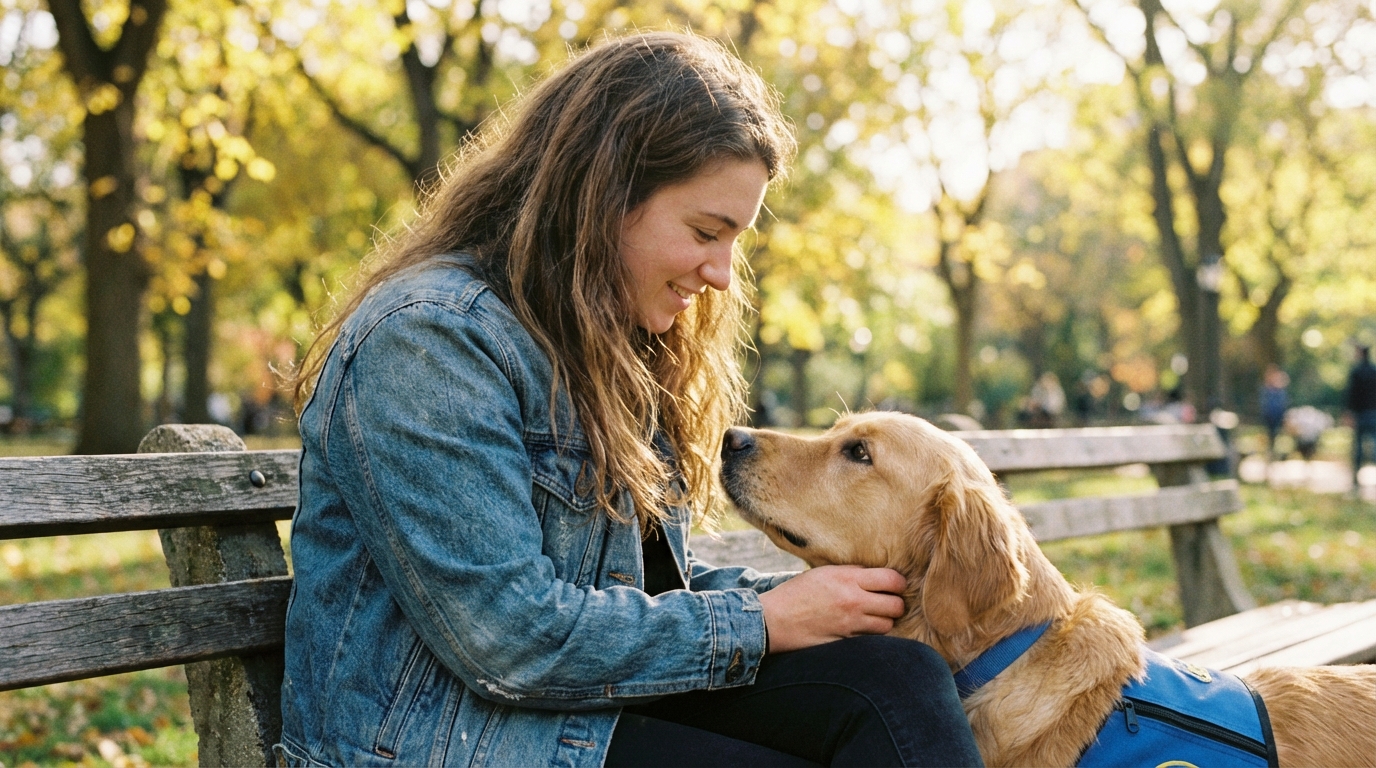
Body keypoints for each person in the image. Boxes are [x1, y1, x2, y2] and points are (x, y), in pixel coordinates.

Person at [277, 32, 982, 768]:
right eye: (707, 231)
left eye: (734, 239)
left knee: (895, 679)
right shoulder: (431, 340)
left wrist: (807, 602)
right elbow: (507, 638)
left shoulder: (605, 343)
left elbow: (635, 591)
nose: (721, 275)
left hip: (575, 705)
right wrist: (762, 620)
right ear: (603, 196)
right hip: (449, 741)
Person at [1347, 344, 1376, 492]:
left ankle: (1356, 481)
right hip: (1373, 414)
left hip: (1360, 414)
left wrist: (1349, 413)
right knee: (1373, 446)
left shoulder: (1356, 372)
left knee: (1358, 447)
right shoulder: (1374, 371)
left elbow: (1351, 395)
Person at [1259, 364, 1290, 459]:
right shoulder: (1267, 390)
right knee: (1271, 435)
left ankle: (1278, 454)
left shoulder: (1279, 391)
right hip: (1270, 415)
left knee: (1279, 434)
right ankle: (1271, 453)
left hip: (1278, 414)